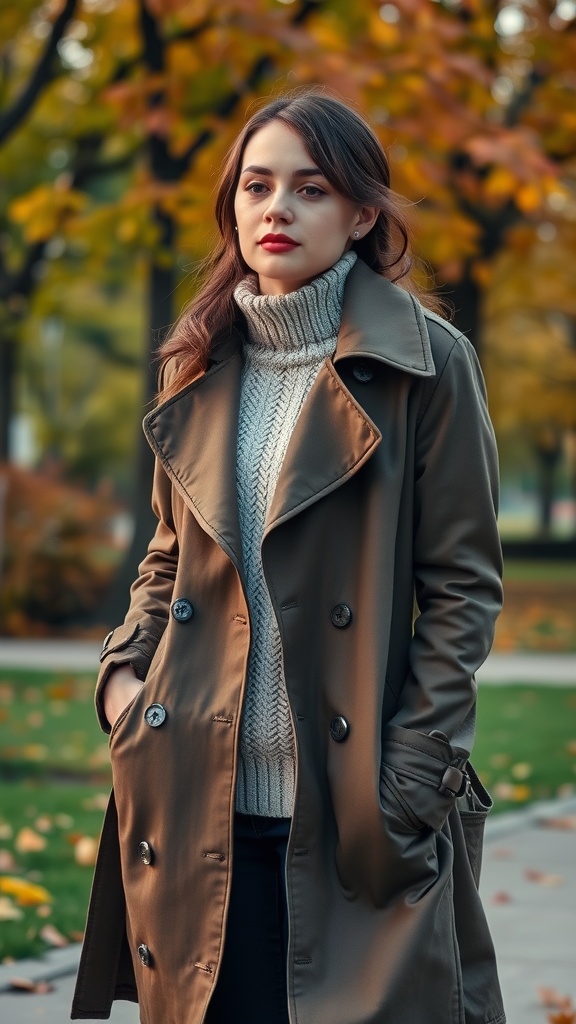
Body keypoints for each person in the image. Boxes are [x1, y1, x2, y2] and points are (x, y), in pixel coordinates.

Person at [72, 89, 506, 1024]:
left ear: (360, 213)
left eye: (312, 188)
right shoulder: (195, 363)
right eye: (258, 185)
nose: (279, 209)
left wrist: (412, 773)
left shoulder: (428, 364)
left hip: (354, 815)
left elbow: (463, 588)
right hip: (197, 802)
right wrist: (125, 683)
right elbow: (165, 560)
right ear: (232, 208)